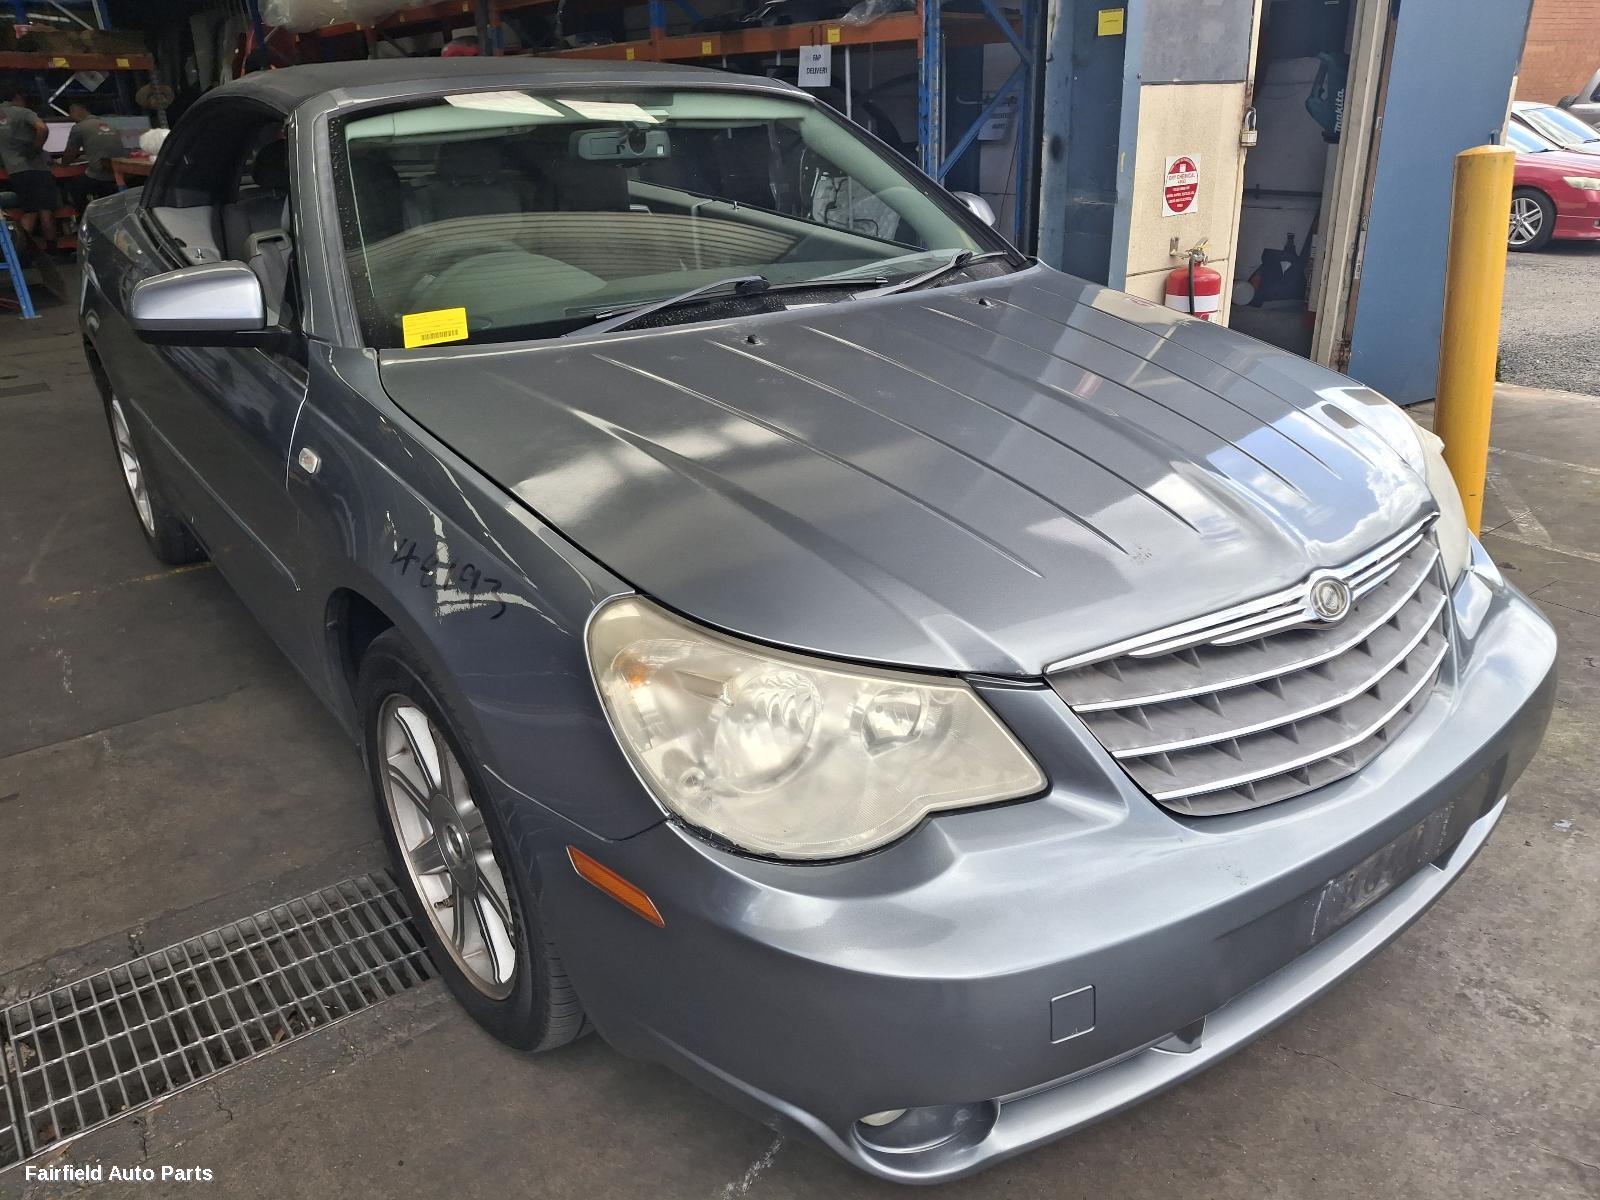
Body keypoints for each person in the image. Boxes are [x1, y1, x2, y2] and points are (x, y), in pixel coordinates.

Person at [0, 89, 60, 250]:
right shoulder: (23, 112)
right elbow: (42, 128)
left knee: (30, 209)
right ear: (18, 97)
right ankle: (47, 250)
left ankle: (20, 250)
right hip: (36, 168)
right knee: (44, 210)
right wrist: (36, 148)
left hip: (15, 170)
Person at [62, 101, 124, 208]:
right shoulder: (110, 125)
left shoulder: (79, 127)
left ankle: (81, 213)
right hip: (118, 173)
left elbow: (70, 154)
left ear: (76, 112)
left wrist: (62, 163)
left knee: (72, 185)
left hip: (99, 175)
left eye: (70, 113)